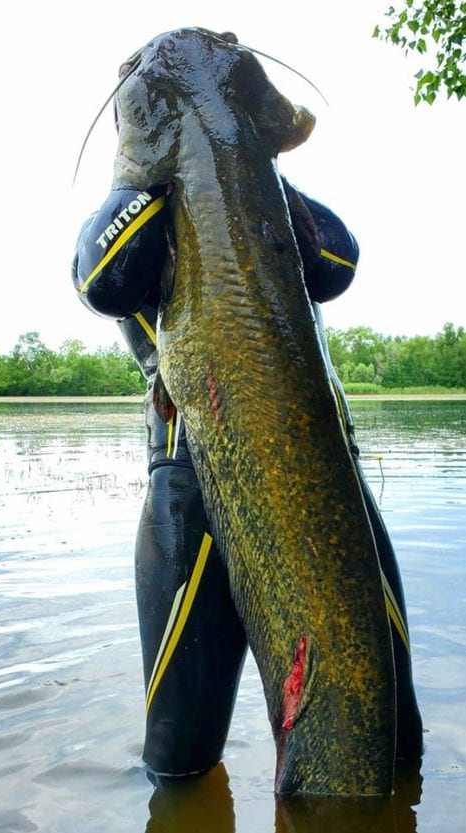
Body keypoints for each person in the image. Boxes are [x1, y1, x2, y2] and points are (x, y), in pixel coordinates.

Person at [72, 155, 422, 782]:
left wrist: (258, 173)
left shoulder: (267, 204)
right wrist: (149, 182)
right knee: (180, 763)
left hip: (322, 484)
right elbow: (104, 282)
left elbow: (338, 264)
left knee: (393, 743)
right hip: (193, 491)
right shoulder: (131, 214)